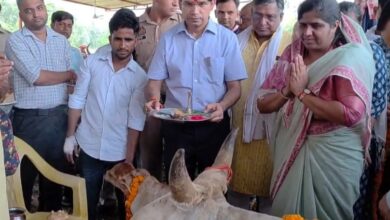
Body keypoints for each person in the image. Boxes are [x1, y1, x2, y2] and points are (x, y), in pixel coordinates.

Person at [257, 0, 375, 219]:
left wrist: (302, 94)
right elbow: (262, 104)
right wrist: (288, 92)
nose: (307, 32)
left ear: (335, 25)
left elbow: (351, 114)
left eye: (316, 25)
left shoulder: (349, 57)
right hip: (290, 148)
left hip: (333, 156)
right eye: (303, 25)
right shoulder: (293, 55)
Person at [145, 0, 247, 179]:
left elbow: (235, 88)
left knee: (213, 190)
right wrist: (154, 99)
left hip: (213, 128)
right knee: (178, 188)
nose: (195, 11)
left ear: (212, 4)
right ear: (180, 4)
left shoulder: (226, 39)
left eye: (201, 4)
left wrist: (222, 106)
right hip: (176, 127)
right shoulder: (168, 39)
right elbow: (154, 82)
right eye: (189, 4)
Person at [64, 8, 147, 220]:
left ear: (136, 40)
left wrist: (128, 160)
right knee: (87, 204)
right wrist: (70, 137)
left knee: (125, 206)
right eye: (117, 39)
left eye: (128, 39)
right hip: (89, 145)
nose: (123, 45)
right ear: (109, 38)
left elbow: (135, 120)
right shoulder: (92, 63)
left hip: (119, 151)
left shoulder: (139, 77)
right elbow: (78, 99)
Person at [5, 0, 75, 212]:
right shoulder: (15, 41)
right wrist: (69, 75)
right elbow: (36, 77)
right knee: (23, 181)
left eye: (39, 8)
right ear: (21, 14)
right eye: (28, 11)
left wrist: (68, 81)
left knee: (54, 181)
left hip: (59, 119)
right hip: (28, 121)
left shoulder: (61, 42)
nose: (36, 14)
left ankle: (51, 214)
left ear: (45, 9)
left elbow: (67, 85)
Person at [228, 0, 290, 210]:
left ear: (281, 17)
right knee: (235, 194)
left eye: (270, 17)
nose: (263, 22)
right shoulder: (236, 41)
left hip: (274, 135)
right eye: (258, 15)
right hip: (238, 131)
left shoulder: (290, 45)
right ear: (251, 13)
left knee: (270, 197)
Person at [51, 11, 83, 76]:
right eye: (61, 24)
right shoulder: (44, 49)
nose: (66, 29)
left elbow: (81, 76)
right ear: (52, 26)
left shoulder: (76, 53)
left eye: (69, 26)